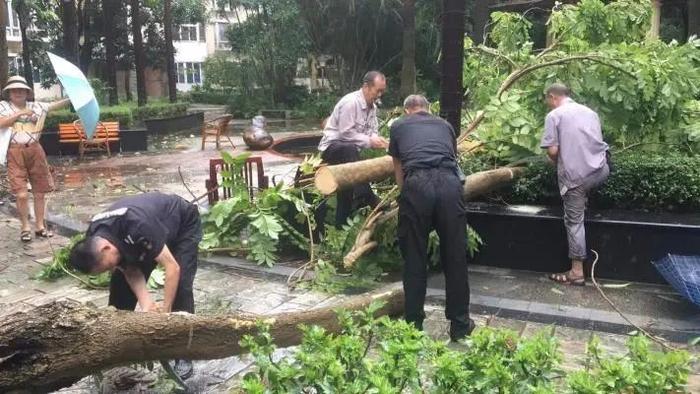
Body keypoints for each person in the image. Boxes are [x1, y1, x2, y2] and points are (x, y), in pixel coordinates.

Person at [68, 192, 202, 380]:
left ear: (106, 248)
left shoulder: (138, 226)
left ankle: (182, 351)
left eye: (107, 265)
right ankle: (120, 345)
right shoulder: (94, 236)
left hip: (181, 224)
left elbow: (172, 267)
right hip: (141, 238)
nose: (112, 267)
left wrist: (166, 314)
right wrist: (147, 304)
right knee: (120, 286)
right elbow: (130, 271)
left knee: (181, 287)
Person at [388, 95, 474, 341]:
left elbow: (399, 170)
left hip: (417, 185)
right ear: (428, 109)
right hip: (449, 184)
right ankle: (460, 325)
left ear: (407, 111)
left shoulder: (399, 126)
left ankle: (413, 326)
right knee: (455, 257)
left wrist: (406, 197)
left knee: (414, 257)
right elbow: (452, 160)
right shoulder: (445, 126)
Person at [540, 83, 609, 286]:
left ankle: (577, 272)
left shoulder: (554, 116)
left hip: (576, 179)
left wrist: (558, 159)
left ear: (552, 97)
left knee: (574, 221)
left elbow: (552, 152)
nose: (548, 105)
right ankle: (585, 200)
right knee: (581, 198)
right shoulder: (590, 113)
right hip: (601, 170)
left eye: (547, 101)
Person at [0, 75, 69, 242]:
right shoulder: (3, 106)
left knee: (40, 192)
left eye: (21, 89)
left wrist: (73, 98)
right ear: (9, 93)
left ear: (26, 92)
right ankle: (24, 227)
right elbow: (1, 123)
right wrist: (21, 113)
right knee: (21, 193)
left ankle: (39, 226)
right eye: (14, 90)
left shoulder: (36, 106)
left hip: (35, 151)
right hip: (14, 152)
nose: (18, 92)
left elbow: (55, 105)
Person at [316, 71, 389, 228]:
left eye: (382, 91)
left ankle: (340, 227)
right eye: (378, 91)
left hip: (349, 153)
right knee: (349, 149)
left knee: (346, 190)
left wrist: (378, 140)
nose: (380, 95)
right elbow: (345, 133)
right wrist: (370, 141)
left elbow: (372, 130)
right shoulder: (350, 102)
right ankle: (367, 195)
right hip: (332, 147)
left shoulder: (373, 108)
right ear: (366, 87)